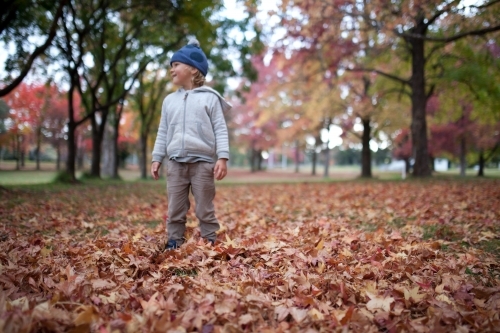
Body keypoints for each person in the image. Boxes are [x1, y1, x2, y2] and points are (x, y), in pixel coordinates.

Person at [150, 38, 231, 250]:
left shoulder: (210, 99)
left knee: (204, 207)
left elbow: (220, 129)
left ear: (193, 69)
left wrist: (222, 157)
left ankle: (209, 239)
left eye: (176, 65)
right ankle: (174, 240)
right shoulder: (169, 101)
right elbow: (163, 131)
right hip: (176, 163)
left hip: (203, 164)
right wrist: (157, 157)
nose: (171, 70)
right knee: (175, 207)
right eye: (171, 66)